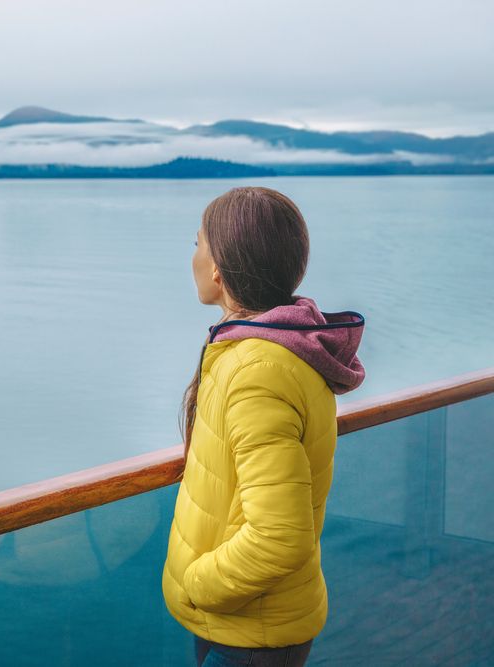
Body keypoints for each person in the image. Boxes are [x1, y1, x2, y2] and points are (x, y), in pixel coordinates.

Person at [161, 187, 366, 666]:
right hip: (247, 620)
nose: (192, 256)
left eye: (197, 244)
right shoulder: (276, 350)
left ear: (219, 267)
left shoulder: (258, 372)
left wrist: (197, 584)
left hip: (249, 631)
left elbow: (279, 537)